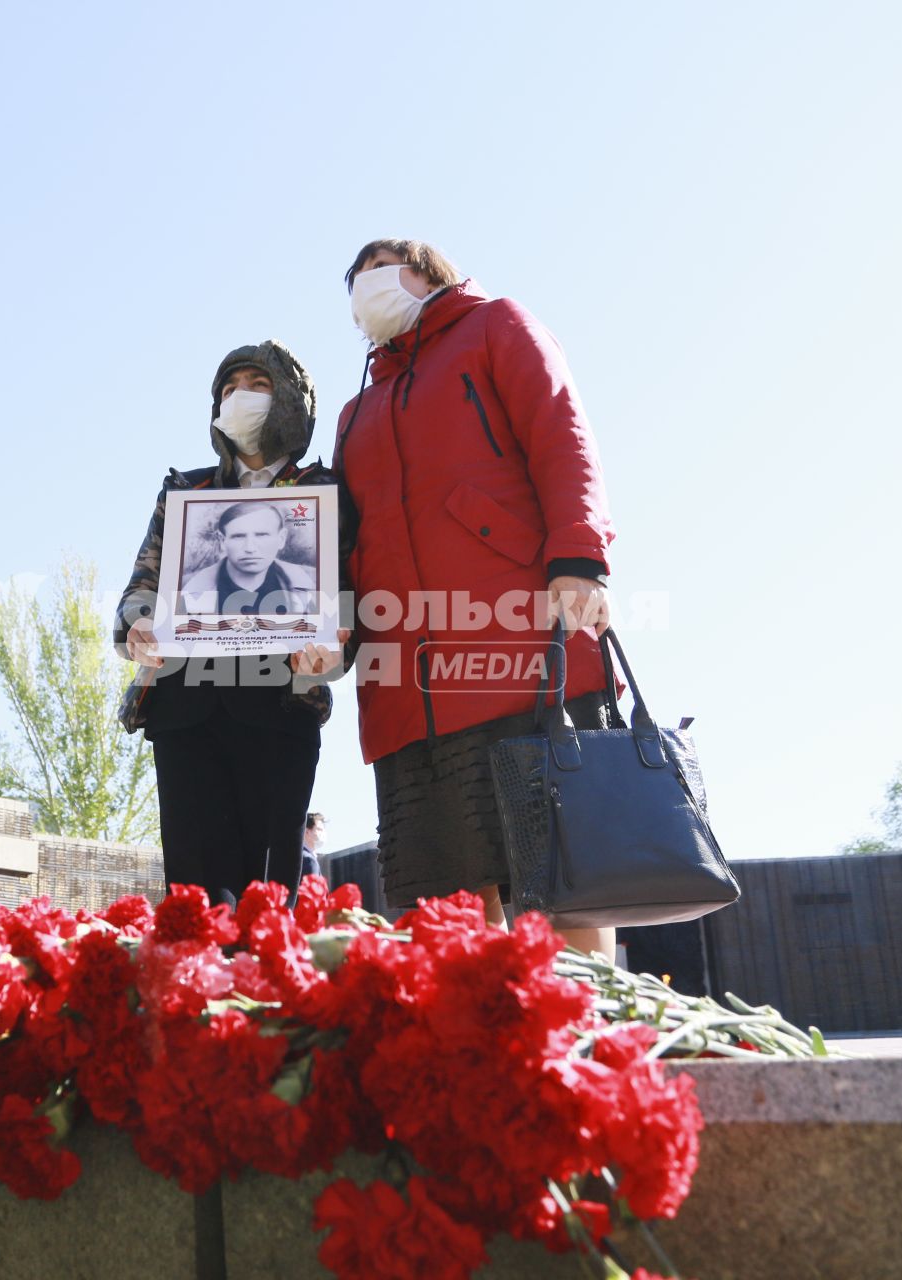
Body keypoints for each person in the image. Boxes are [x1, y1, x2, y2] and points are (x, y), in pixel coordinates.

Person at [333, 238, 617, 956]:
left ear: (429, 272)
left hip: (519, 645)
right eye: (353, 282)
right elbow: (341, 535)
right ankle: (480, 1048)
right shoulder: (354, 412)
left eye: (379, 271)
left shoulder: (499, 326)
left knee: (563, 870)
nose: (366, 288)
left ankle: (593, 1041)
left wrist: (580, 553)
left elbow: (562, 433)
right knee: (447, 896)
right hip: (405, 680)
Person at [114, 341, 345, 906]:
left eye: (257, 384)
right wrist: (138, 626)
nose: (239, 396)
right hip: (184, 709)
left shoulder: (327, 491)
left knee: (268, 898)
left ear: (290, 398)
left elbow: (345, 598)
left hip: (281, 706)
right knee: (194, 898)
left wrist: (332, 653)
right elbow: (141, 587)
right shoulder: (184, 492)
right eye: (228, 387)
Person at [178, 500, 319, 615]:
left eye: (262, 535)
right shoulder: (185, 588)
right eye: (238, 536)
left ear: (281, 539)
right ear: (222, 541)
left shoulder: (314, 581)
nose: (250, 548)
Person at [299, 811, 327, 884]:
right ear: (307, 832)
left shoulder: (298, 856)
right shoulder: (309, 860)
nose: (324, 833)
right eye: (319, 829)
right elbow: (313, 892)